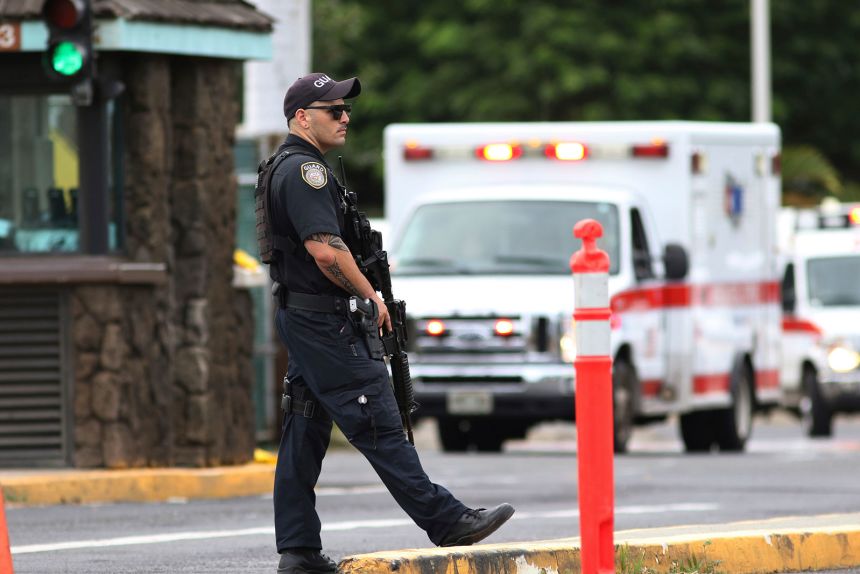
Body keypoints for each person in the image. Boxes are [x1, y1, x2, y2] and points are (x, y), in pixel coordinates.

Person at [269, 72, 515, 574]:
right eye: (333, 109)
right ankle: (446, 521)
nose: (345, 117)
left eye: (346, 109)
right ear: (302, 117)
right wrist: (369, 295)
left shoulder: (294, 166)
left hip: (308, 318)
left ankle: (298, 551)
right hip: (326, 322)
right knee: (378, 420)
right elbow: (324, 249)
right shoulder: (303, 172)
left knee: (306, 428)